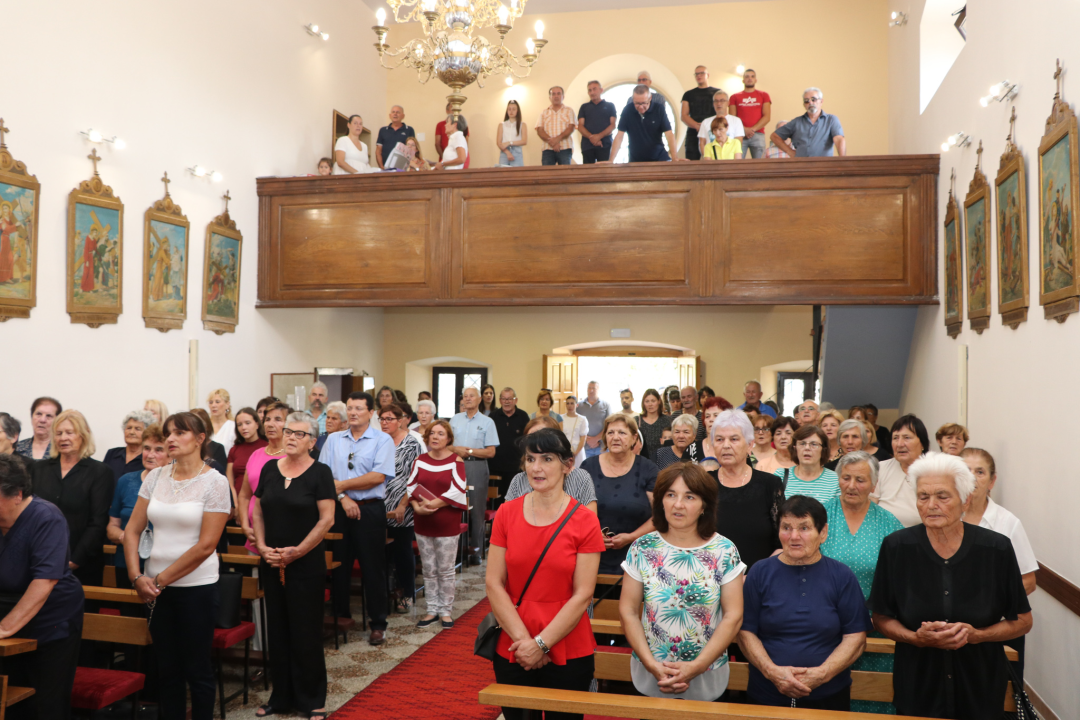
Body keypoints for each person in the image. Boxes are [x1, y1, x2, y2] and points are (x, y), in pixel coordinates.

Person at [870, 453, 1033, 719]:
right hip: (918, 688)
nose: (931, 505)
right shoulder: (897, 547)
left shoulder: (995, 548)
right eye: (923, 496)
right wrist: (916, 639)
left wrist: (977, 635)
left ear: (965, 500)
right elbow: (881, 618)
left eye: (942, 496)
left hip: (979, 688)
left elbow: (1023, 621)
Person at [486, 429, 605, 720]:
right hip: (514, 639)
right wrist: (524, 642)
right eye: (530, 459)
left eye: (547, 459)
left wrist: (540, 644)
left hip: (567, 641)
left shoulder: (585, 519)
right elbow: (493, 582)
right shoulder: (506, 513)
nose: (536, 468)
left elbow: (583, 594)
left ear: (568, 465)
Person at [122, 412, 230, 720]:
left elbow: (207, 545)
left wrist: (160, 580)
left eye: (179, 433)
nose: (170, 439)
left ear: (199, 439)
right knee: (165, 668)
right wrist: (136, 576)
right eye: (168, 433)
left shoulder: (215, 482)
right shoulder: (156, 476)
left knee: (196, 670)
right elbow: (132, 530)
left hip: (196, 588)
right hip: (155, 588)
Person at [621, 463, 745, 700]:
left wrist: (696, 666)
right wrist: (651, 663)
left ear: (704, 506)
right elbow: (627, 610)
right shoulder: (642, 548)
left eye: (689, 496)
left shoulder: (724, 550)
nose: (678, 504)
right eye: (670, 495)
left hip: (706, 672)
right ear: (661, 501)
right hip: (653, 669)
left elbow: (733, 616)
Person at [739, 495, 870, 710]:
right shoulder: (760, 572)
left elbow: (855, 637)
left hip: (828, 696)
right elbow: (745, 631)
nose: (794, 536)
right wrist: (772, 671)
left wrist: (822, 673)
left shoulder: (842, 576)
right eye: (786, 527)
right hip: (767, 694)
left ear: (823, 533)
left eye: (804, 528)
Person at [251, 412, 334, 720]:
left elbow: (327, 519)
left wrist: (298, 551)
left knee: (305, 630)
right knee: (278, 629)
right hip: (271, 561)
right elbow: (258, 511)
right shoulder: (271, 468)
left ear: (312, 442)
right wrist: (261, 547)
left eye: (299, 434)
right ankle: (281, 696)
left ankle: (313, 699)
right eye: (288, 431)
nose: (290, 437)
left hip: (305, 563)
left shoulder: (320, 473)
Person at [0, 455, 85, 720]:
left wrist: (3, 629)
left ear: (17, 494)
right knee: (9, 703)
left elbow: (44, 582)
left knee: (44, 705)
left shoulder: (46, 517)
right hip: (8, 610)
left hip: (50, 620)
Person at [820, 451, 903, 713]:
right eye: (845, 478)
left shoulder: (889, 523)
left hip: (874, 629)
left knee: (871, 699)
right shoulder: (818, 517)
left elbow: (900, 580)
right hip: (824, 629)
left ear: (874, 485)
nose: (852, 485)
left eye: (860, 480)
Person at [319, 392, 395, 644]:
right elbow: (323, 476)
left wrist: (342, 486)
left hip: (370, 509)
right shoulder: (333, 440)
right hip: (339, 509)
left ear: (371, 413)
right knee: (339, 566)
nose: (352, 412)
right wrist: (344, 497)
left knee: (372, 567)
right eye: (349, 408)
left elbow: (377, 477)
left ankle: (378, 623)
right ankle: (340, 618)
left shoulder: (382, 440)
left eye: (358, 408)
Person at [31, 410, 111, 586]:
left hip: (82, 563)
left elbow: (98, 522)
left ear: (83, 435)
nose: (63, 438)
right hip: (40, 559)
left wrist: (74, 560)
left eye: (69, 432)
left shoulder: (99, 472)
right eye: (58, 433)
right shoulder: (39, 469)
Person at [408, 420, 469, 629]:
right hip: (422, 521)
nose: (435, 437)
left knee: (445, 569)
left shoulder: (456, 461)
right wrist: (417, 507)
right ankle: (431, 610)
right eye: (432, 433)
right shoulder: (420, 460)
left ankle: (446, 611)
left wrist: (434, 503)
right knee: (428, 568)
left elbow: (458, 489)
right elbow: (410, 487)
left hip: (446, 523)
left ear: (448, 438)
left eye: (440, 434)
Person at [581, 415, 658, 574]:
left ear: (634, 438)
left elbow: (660, 515)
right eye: (611, 433)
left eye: (622, 433)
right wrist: (593, 535)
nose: (615, 437)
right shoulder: (588, 466)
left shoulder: (647, 468)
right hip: (592, 553)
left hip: (638, 555)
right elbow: (575, 512)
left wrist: (631, 537)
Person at [711, 410, 785, 569]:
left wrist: (755, 575)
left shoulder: (770, 484)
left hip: (760, 580)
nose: (726, 445)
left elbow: (783, 540)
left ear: (750, 445)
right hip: (710, 580)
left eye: (734, 439)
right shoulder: (703, 484)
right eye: (719, 439)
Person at [108, 423, 168, 588]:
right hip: (126, 562)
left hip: (163, 565)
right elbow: (112, 526)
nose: (150, 455)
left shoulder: (175, 484)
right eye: (147, 448)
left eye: (158, 450)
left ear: (170, 455)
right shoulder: (126, 481)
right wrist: (126, 537)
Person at [380, 403, 424, 614]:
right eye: (382, 418)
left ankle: (407, 593)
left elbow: (416, 478)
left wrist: (403, 504)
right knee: (382, 552)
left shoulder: (411, 443)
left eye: (389, 419)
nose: (385, 422)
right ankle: (386, 592)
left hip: (402, 505)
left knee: (402, 550)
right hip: (380, 504)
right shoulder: (379, 441)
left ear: (400, 420)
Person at [447, 387, 499, 565]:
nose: (468, 399)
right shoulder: (454, 420)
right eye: (465, 396)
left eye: (472, 396)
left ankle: (475, 551)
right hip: (455, 466)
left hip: (477, 466)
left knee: (476, 510)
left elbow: (491, 452)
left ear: (479, 400)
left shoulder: (487, 422)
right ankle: (457, 550)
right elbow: (447, 446)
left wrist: (468, 451)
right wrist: (456, 450)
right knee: (455, 508)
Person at [504, 417, 597, 511]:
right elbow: (507, 517)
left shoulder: (580, 478)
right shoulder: (519, 480)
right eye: (531, 437)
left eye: (544, 436)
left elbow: (589, 520)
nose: (536, 443)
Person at [239, 402, 288, 551]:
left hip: (284, 532)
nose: (270, 424)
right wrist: (245, 526)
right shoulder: (256, 454)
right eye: (267, 419)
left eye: (278, 419)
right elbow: (245, 495)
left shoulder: (293, 455)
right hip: (254, 532)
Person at [872, 414, 927, 527]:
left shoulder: (934, 471)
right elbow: (870, 509)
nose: (899, 444)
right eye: (895, 438)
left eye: (907, 438)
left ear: (922, 443)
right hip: (885, 536)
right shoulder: (880, 468)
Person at [608, 85, 676, 163]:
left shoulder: (659, 109)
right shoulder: (627, 110)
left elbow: (669, 134)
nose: (641, 107)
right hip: (636, 160)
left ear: (650, 98)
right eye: (637, 103)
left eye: (644, 103)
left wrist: (674, 158)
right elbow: (619, 136)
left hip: (659, 158)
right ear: (633, 100)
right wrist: (611, 160)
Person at [772, 88, 846, 158]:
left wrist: (842, 161)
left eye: (813, 99)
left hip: (824, 166)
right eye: (806, 101)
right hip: (801, 166)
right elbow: (774, 136)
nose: (810, 102)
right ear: (804, 105)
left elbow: (839, 139)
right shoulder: (796, 122)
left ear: (821, 101)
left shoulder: (831, 120)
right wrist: (789, 151)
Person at [775, 425, 838, 504]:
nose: (807, 448)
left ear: (823, 450)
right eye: (802, 443)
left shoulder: (835, 479)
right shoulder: (780, 475)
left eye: (814, 444)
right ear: (795, 448)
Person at [489, 387, 530, 496]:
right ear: (500, 400)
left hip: (516, 467)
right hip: (495, 467)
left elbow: (527, 440)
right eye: (504, 399)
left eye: (510, 399)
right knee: (496, 502)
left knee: (515, 499)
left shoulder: (523, 416)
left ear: (515, 400)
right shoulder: (493, 417)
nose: (507, 402)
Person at [730, 69, 772, 159]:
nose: (750, 78)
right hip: (740, 135)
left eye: (752, 76)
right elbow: (732, 118)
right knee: (737, 166)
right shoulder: (734, 97)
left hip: (758, 134)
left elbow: (767, 117)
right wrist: (743, 130)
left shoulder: (764, 95)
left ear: (756, 80)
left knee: (760, 167)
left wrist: (752, 130)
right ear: (743, 80)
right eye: (747, 76)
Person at [680, 66, 720, 161]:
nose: (699, 75)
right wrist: (697, 126)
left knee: (715, 160)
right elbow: (684, 115)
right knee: (692, 163)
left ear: (708, 75)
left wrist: (708, 126)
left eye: (702, 73)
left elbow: (721, 112)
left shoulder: (717, 92)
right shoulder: (688, 94)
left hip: (713, 131)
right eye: (697, 74)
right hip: (694, 132)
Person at [226, 407, 268, 495]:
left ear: (257, 424)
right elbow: (230, 483)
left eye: (247, 423)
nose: (243, 427)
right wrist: (235, 503)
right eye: (239, 424)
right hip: (237, 500)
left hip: (260, 498)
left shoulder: (267, 447)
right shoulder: (234, 450)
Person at [103, 410, 154, 481]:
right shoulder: (112, 453)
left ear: (147, 433)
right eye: (129, 428)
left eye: (137, 429)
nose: (132, 432)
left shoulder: (147, 458)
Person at [577, 80, 617, 164]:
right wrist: (592, 137)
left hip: (605, 144)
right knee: (588, 173)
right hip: (587, 145)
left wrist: (599, 136)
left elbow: (613, 125)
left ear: (601, 90)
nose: (592, 92)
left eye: (594, 89)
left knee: (604, 173)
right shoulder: (584, 107)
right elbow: (580, 126)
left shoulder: (610, 106)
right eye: (590, 90)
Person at [697, 90, 745, 158]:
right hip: (711, 161)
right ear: (713, 104)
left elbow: (739, 142)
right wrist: (706, 159)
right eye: (716, 101)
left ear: (728, 103)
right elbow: (701, 143)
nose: (719, 104)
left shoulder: (736, 121)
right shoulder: (705, 122)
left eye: (722, 100)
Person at [536, 86, 576, 165]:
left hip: (565, 148)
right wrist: (553, 142)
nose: (556, 96)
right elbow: (540, 130)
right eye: (553, 94)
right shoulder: (544, 112)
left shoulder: (569, 110)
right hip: (547, 149)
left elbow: (571, 128)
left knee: (565, 175)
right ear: (550, 97)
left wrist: (557, 139)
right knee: (547, 175)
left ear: (563, 96)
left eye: (558, 94)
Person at [375, 105, 415, 170]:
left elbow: (412, 151)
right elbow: (378, 151)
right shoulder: (383, 130)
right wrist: (381, 167)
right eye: (393, 112)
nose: (395, 114)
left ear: (403, 116)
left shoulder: (409, 130)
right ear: (390, 115)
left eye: (398, 112)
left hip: (403, 170)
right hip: (386, 169)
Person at [636, 389, 671, 463]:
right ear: (643, 403)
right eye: (647, 401)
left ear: (659, 401)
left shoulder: (668, 420)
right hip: (641, 461)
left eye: (653, 401)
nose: (650, 404)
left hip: (663, 460)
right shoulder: (636, 420)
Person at [577, 381, 610, 459]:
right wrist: (587, 439)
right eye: (589, 388)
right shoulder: (579, 406)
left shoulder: (606, 405)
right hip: (584, 447)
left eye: (594, 388)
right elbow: (575, 424)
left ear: (598, 389)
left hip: (602, 447)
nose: (591, 390)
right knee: (585, 470)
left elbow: (610, 425)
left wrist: (596, 439)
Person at [435, 102, 470, 166]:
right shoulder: (453, 137)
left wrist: (442, 164)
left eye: (448, 122)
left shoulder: (458, 137)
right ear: (447, 110)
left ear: (454, 125)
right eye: (452, 107)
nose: (445, 125)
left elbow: (462, 159)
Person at [560, 395, 589, 467]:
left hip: (577, 452)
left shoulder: (582, 419)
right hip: (564, 451)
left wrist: (575, 453)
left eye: (572, 403)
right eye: (568, 403)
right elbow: (559, 436)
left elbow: (583, 438)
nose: (569, 406)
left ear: (577, 405)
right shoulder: (561, 418)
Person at [496, 99, 528, 167]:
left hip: (517, 152)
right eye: (509, 109)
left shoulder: (522, 125)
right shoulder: (502, 125)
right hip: (504, 152)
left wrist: (509, 142)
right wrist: (507, 153)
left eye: (514, 109)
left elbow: (524, 141)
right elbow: (499, 143)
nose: (511, 111)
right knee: (503, 175)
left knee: (517, 175)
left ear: (517, 111)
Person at [206, 388, 235, 455]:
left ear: (227, 404)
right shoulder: (205, 426)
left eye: (217, 402)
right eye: (211, 402)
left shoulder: (233, 427)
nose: (213, 405)